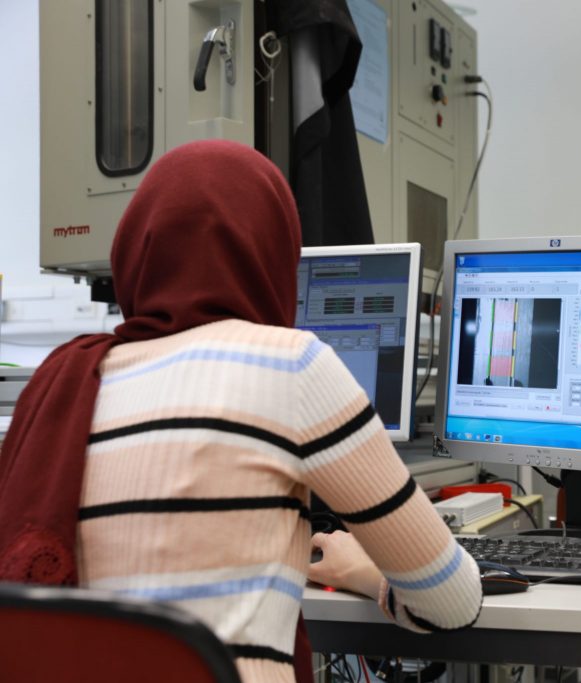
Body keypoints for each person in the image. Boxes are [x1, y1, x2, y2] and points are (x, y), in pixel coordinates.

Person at [0, 140, 482, 683]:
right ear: (273, 256)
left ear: (135, 250)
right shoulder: (290, 364)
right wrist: (365, 574)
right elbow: (450, 602)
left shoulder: (62, 380)